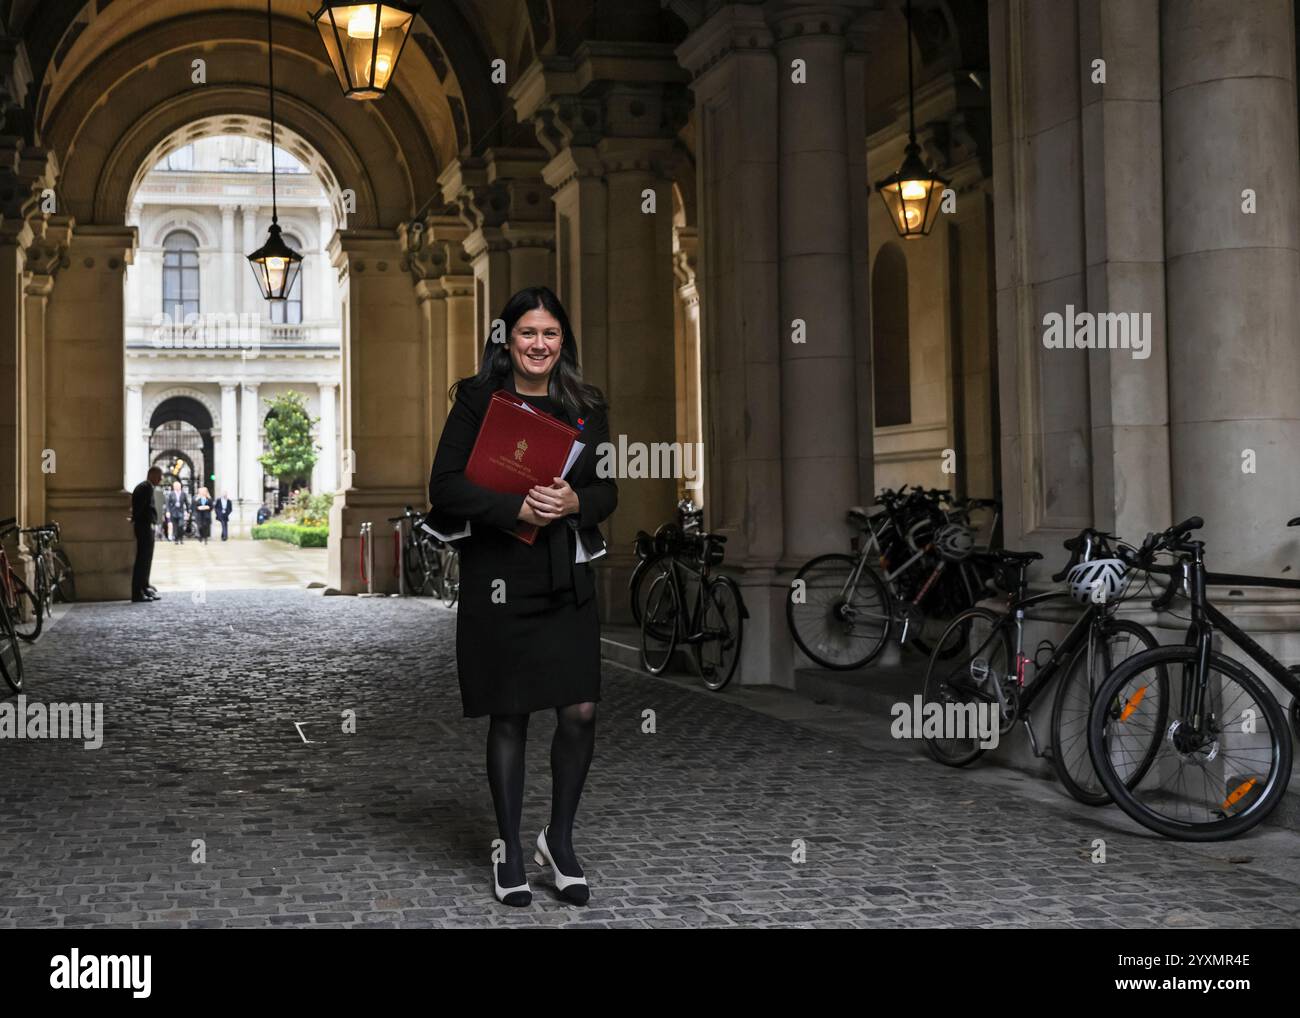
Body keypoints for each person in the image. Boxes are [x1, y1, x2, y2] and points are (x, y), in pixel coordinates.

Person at [428, 285, 617, 909]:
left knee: (580, 709)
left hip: (565, 572)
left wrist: (575, 502)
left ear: (564, 341)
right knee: (510, 712)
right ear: (506, 339)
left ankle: (557, 840)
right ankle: (508, 847)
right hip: (500, 574)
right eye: (528, 333)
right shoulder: (478, 402)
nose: (539, 344)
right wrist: (516, 504)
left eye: (551, 334)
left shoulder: (586, 407)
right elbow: (446, 488)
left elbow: (608, 492)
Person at [130, 467, 162, 603]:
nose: (160, 480)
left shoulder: (145, 487)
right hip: (144, 527)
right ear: (152, 475)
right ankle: (138, 592)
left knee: (145, 560)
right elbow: (142, 508)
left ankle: (144, 587)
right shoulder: (146, 488)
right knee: (143, 560)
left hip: (144, 526)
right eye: (159, 476)